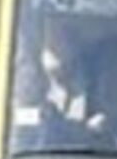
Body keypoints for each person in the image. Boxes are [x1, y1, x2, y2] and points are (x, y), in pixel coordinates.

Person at [11, 20, 106, 148]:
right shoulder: (20, 82)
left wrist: (91, 129)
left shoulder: (90, 86)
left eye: (64, 39)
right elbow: (15, 118)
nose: (58, 44)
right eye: (52, 40)